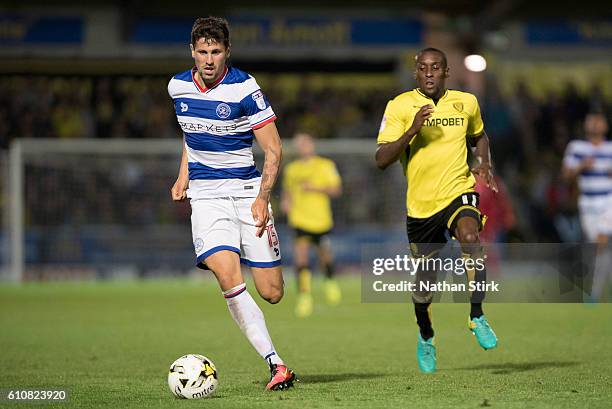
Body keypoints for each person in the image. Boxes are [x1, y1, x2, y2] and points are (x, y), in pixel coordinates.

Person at [168, 17, 296, 390]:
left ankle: (267, 257)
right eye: (203, 52)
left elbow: (273, 149)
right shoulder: (177, 86)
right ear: (192, 52)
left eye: (216, 52)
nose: (209, 59)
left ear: (227, 52)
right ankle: (276, 364)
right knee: (227, 275)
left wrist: (262, 198)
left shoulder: (245, 88)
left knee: (271, 292)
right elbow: (190, 133)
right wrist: (185, 174)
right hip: (206, 197)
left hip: (247, 194)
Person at [375, 47, 498, 373]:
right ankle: (426, 335)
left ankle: (476, 316)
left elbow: (479, 135)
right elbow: (381, 159)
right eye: (423, 68)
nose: (429, 73)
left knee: (471, 238)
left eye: (436, 67)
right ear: (416, 72)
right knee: (425, 284)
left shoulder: (466, 102)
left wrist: (484, 163)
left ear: (446, 72)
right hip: (421, 206)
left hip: (458, 191)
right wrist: (412, 130)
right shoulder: (400, 106)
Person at [281, 133, 342, 317]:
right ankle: (304, 297)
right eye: (299, 145)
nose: (302, 148)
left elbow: (336, 190)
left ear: (312, 145)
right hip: (299, 219)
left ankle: (330, 281)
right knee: (301, 256)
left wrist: (315, 188)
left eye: (305, 144)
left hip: (321, 219)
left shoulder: (326, 165)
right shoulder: (291, 169)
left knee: (324, 255)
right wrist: (286, 202)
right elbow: (287, 191)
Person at [562, 112, 612, 301]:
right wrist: (581, 167)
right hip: (587, 203)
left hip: (608, 200)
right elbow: (565, 176)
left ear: (605, 126)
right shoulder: (576, 148)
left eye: (599, 121)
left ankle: (595, 292)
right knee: (598, 248)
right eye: (591, 120)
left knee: (601, 241)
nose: (595, 124)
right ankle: (600, 287)